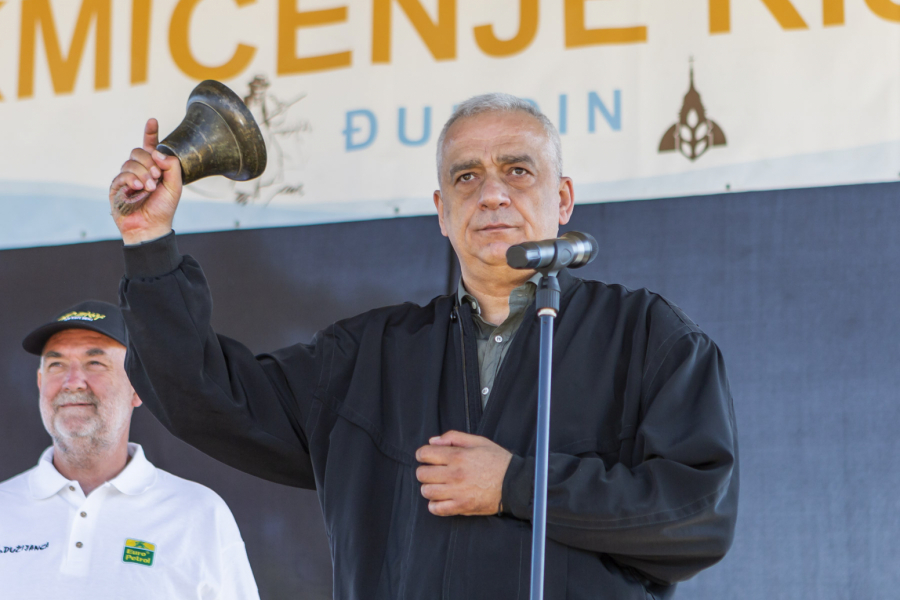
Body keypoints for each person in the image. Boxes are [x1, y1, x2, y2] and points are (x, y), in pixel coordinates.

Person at [108, 94, 739, 599]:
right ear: (441, 210)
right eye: (467, 176)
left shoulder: (646, 337)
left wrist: (516, 484)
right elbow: (202, 393)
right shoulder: (369, 357)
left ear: (564, 199)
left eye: (518, 170)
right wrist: (148, 241)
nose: (492, 193)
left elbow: (698, 515)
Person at [0, 300, 260, 599]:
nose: (72, 382)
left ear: (138, 386)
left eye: (94, 363)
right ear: (40, 382)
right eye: (56, 364)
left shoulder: (200, 514)